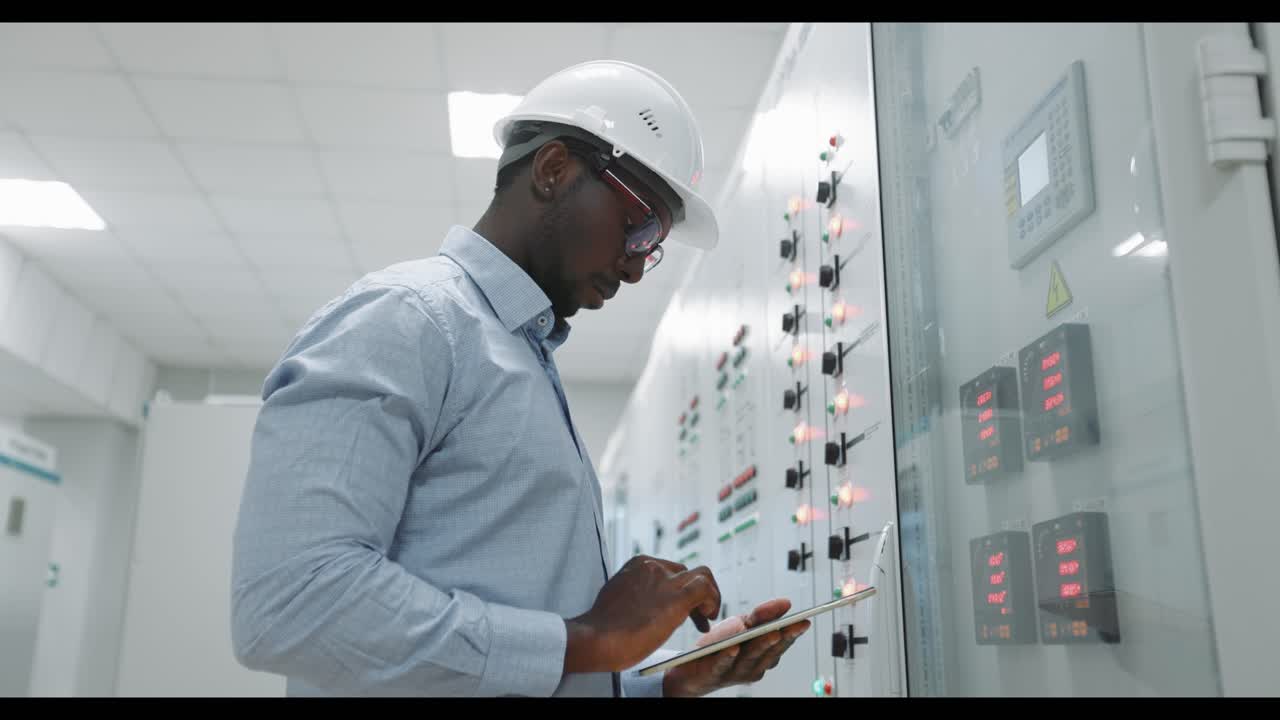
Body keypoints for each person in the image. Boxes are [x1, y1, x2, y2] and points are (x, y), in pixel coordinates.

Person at [229, 59, 809, 698]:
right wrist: (587, 640)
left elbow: (529, 661)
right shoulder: (407, 320)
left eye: (653, 246)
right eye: (640, 226)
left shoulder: (523, 360)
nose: (635, 266)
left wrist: (663, 681)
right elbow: (291, 604)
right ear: (553, 169)